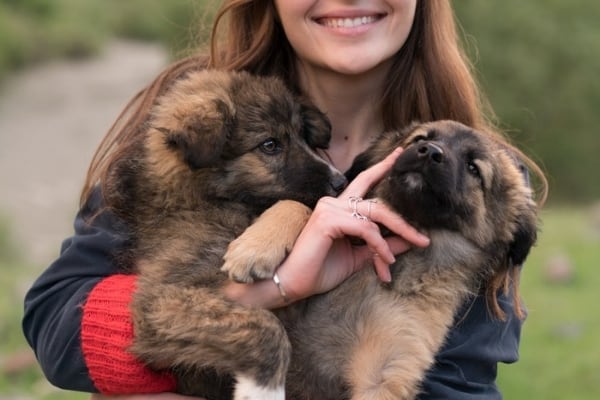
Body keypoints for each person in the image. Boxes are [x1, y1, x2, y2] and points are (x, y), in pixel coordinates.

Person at [23, 1, 547, 399]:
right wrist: (261, 295)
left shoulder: (490, 190)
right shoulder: (208, 108)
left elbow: (454, 384)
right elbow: (56, 326)